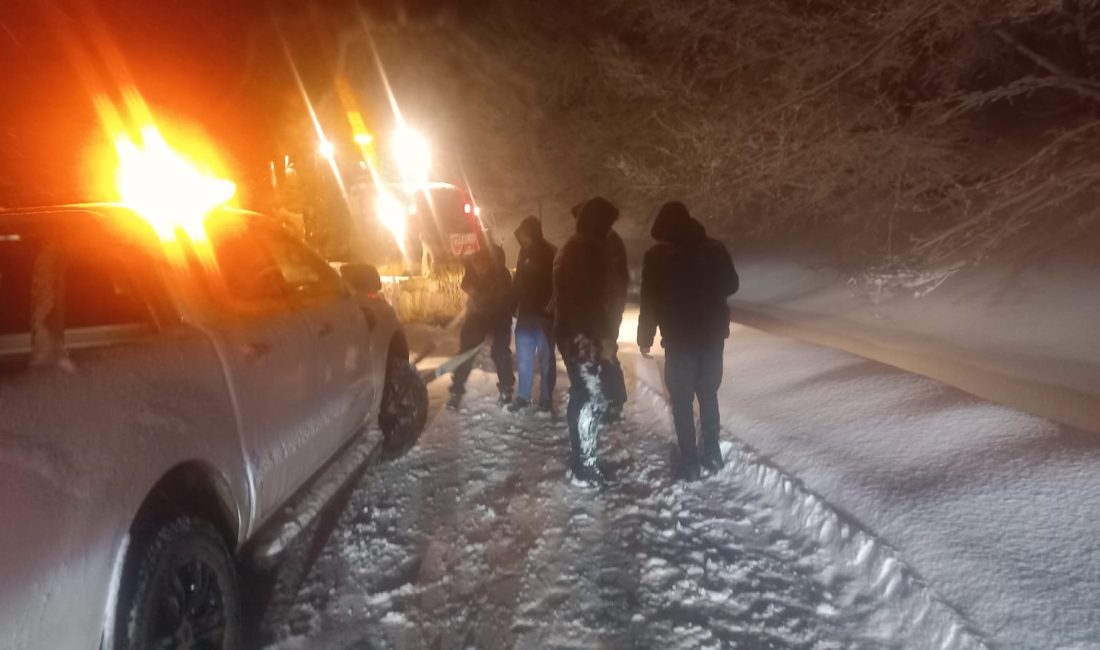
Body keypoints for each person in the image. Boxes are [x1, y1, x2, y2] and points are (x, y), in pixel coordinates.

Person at [637, 201, 739, 481]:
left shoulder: (657, 257)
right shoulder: (714, 249)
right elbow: (732, 284)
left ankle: (690, 463)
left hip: (680, 339)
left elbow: (649, 301)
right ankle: (713, 453)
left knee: (681, 400)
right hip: (711, 337)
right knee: (708, 394)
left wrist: (645, 336)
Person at [554, 197, 620, 485]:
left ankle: (581, 460)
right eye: (607, 224)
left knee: (582, 396)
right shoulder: (587, 250)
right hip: (582, 335)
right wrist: (604, 337)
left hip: (571, 332)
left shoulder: (572, 247)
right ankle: (585, 469)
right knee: (591, 400)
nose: (609, 231)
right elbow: (591, 302)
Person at [570, 199, 629, 422]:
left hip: (606, 310)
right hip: (599, 310)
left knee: (607, 353)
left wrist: (610, 317)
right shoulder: (601, 242)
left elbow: (615, 283)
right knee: (599, 354)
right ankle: (608, 397)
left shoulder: (609, 243)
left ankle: (615, 401)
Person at [448, 233, 515, 410]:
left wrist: (479, 296)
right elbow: (466, 282)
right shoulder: (474, 262)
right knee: (466, 352)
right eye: (476, 266)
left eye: (481, 266)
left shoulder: (502, 274)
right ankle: (456, 390)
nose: (478, 269)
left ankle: (506, 389)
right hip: (477, 316)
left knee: (500, 351)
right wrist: (472, 289)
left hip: (499, 315)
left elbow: (501, 296)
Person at [509, 216, 558, 413]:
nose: (521, 238)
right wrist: (513, 307)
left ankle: (546, 399)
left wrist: (550, 307)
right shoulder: (523, 252)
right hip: (526, 315)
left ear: (531, 232)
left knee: (546, 358)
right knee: (523, 358)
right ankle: (523, 396)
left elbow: (558, 284)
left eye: (524, 233)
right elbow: (518, 284)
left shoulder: (550, 252)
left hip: (544, 317)